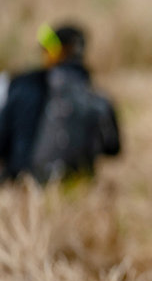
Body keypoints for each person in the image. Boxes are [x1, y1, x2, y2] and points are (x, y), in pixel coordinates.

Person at [0, 22, 120, 182]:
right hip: (76, 186)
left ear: (55, 51)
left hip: (22, 184)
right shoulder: (98, 99)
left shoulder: (25, 84)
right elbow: (113, 148)